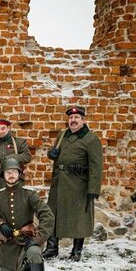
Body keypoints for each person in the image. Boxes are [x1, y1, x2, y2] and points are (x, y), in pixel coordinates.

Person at [0, 156, 54, 271]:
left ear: (19, 174)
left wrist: (38, 239)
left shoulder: (29, 194)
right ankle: (26, 265)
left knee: (34, 252)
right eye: (8, 172)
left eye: (14, 171)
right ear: (3, 175)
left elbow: (47, 216)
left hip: (28, 239)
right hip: (10, 243)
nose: (11, 175)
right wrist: (0, 223)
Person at [43, 106, 104, 261]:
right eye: (71, 118)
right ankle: (51, 248)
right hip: (59, 182)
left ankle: (76, 251)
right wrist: (51, 154)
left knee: (79, 217)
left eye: (76, 118)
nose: (73, 120)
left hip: (79, 184)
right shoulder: (62, 135)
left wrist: (93, 189)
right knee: (53, 213)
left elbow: (96, 166)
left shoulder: (91, 139)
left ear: (83, 120)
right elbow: (56, 152)